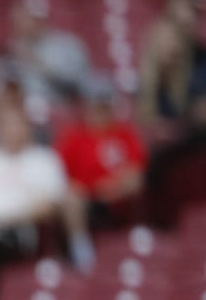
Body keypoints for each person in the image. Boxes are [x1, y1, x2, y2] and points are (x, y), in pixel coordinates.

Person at [0, 104, 84, 294]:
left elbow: (52, 203)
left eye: (17, 124)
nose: (12, 131)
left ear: (28, 128)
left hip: (28, 227)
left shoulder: (45, 160)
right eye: (6, 125)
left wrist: (11, 220)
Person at [56, 78, 146, 228]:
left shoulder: (125, 134)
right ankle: (81, 247)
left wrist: (112, 188)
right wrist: (91, 191)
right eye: (96, 105)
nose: (100, 111)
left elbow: (136, 173)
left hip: (120, 201)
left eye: (104, 105)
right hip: (87, 204)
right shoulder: (73, 137)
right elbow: (61, 177)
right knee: (71, 199)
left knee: (136, 184)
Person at [3, 0, 92, 102]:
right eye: (15, 22)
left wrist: (37, 63)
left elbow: (78, 82)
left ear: (38, 19)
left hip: (62, 108)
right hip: (27, 112)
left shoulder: (66, 45)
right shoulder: (15, 50)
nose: (18, 26)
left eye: (23, 20)